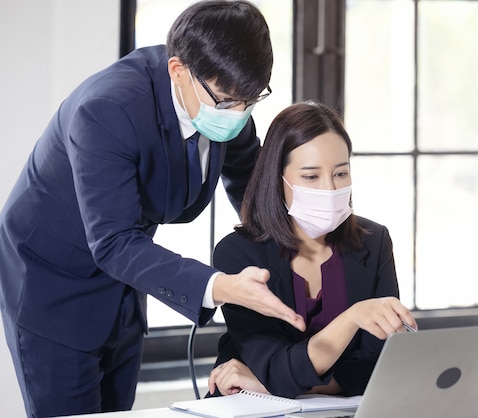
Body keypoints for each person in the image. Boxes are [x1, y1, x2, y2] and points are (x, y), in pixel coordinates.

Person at [0, 2, 306, 417]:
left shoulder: (223, 96)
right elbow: (113, 242)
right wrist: (220, 285)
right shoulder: (107, 110)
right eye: (230, 100)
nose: (239, 115)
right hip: (53, 283)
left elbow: (250, 182)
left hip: (124, 284)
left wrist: (296, 249)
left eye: (251, 101)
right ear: (178, 70)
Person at [206, 101, 417, 399]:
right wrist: (353, 317)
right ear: (276, 179)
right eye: (310, 176)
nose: (329, 189)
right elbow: (275, 367)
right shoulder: (237, 254)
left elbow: (377, 369)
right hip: (248, 407)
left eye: (340, 174)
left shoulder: (374, 241)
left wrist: (272, 383)